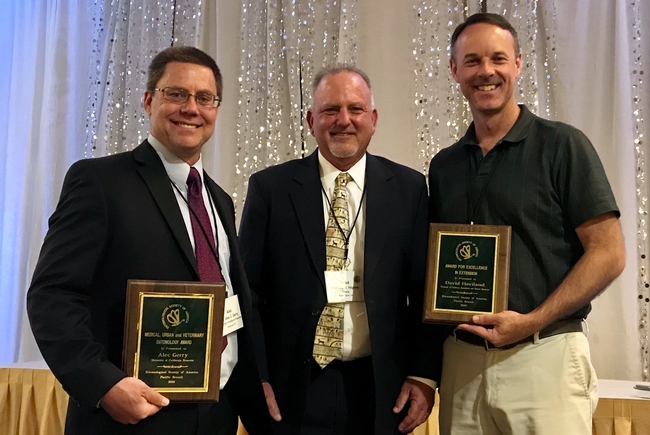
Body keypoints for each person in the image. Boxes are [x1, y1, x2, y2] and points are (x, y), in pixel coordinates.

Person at [27, 46, 270, 435]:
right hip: (129, 419)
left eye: (204, 98)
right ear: (148, 100)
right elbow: (52, 296)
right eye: (176, 94)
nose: (191, 108)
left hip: (216, 417)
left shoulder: (220, 200)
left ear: (216, 110)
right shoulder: (100, 183)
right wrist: (103, 384)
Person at [428, 13, 626, 435]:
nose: (486, 71)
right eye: (472, 61)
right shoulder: (444, 166)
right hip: (462, 364)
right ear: (454, 71)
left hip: (544, 357)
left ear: (518, 64)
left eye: (498, 58)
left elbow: (609, 253)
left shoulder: (563, 146)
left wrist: (533, 319)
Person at [238, 64, 444, 435]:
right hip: (293, 391)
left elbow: (424, 290)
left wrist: (424, 374)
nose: (343, 120)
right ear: (310, 119)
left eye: (355, 109)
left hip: (381, 388)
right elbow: (248, 293)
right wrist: (257, 375)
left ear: (374, 119)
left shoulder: (409, 189)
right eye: (331, 110)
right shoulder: (271, 188)